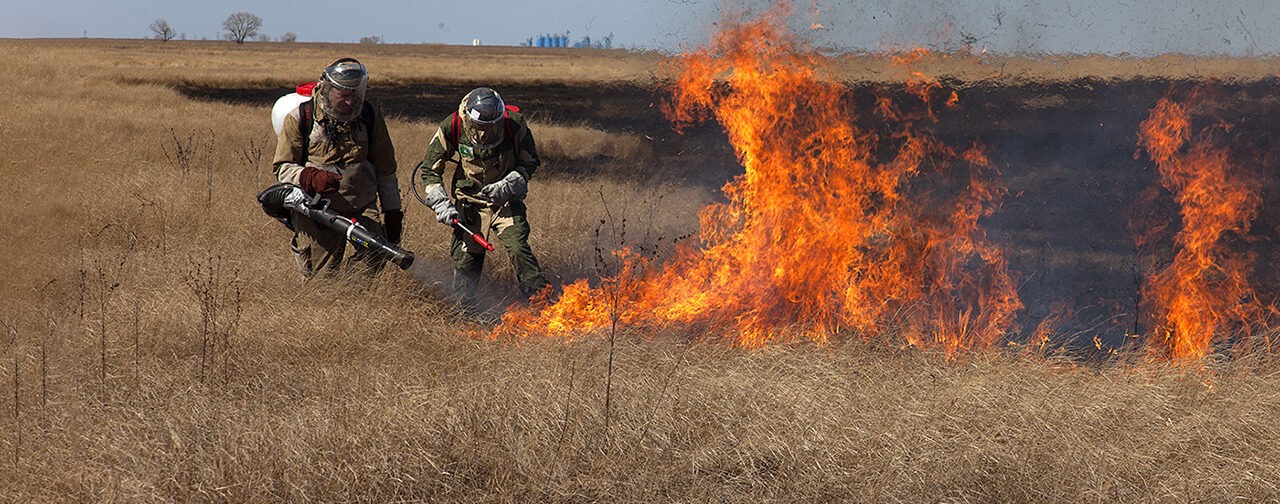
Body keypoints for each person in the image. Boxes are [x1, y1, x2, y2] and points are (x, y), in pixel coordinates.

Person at [272, 58, 403, 277]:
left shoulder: (370, 116)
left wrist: (392, 212)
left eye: (354, 95)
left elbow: (386, 171)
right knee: (322, 278)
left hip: (361, 206)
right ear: (328, 89)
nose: (350, 102)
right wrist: (309, 177)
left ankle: (352, 293)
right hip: (317, 209)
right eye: (344, 95)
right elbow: (282, 168)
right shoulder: (300, 117)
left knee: (376, 254)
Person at [418, 87, 550, 304]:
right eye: (480, 127)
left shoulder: (514, 124)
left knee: (518, 249)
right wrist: (441, 202)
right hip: (469, 204)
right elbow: (429, 170)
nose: (485, 133)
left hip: (505, 202)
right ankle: (464, 312)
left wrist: (508, 184)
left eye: (492, 126)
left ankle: (542, 304)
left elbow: (530, 162)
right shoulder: (453, 125)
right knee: (466, 261)